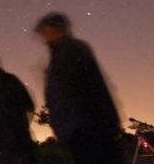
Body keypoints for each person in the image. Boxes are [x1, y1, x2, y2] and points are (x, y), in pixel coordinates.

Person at [35, 11, 124, 164]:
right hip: (82, 129)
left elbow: (84, 90)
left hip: (87, 129)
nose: (44, 35)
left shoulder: (70, 51)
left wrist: (67, 128)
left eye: (46, 30)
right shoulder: (62, 53)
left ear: (57, 29)